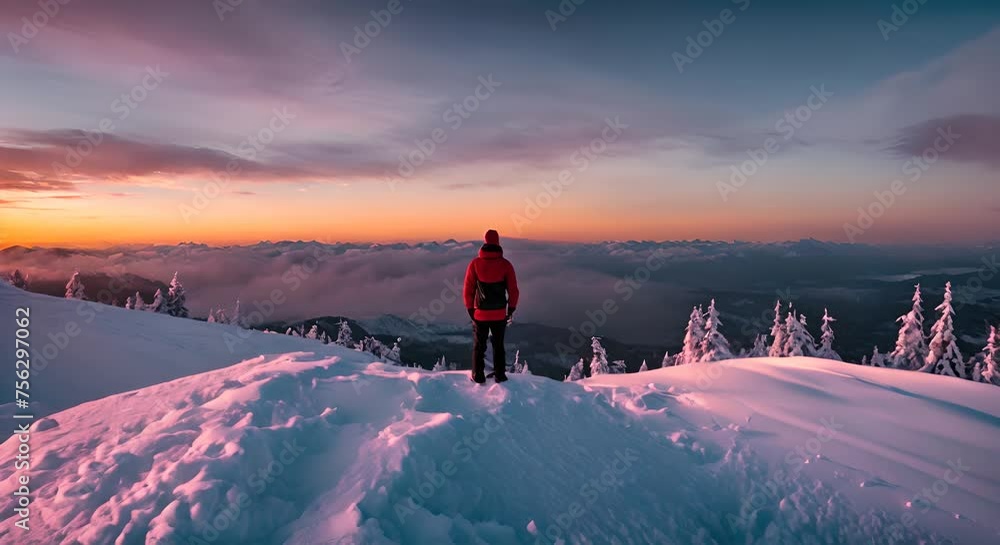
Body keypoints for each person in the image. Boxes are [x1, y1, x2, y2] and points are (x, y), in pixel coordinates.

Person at [463, 229, 519, 383]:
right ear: (498, 242)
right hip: (499, 313)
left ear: (485, 241)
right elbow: (513, 290)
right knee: (498, 345)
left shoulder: (474, 264)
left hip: (480, 313)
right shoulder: (506, 265)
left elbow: (468, 290)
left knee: (479, 346)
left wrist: (470, 309)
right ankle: (500, 375)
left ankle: (478, 375)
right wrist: (511, 309)